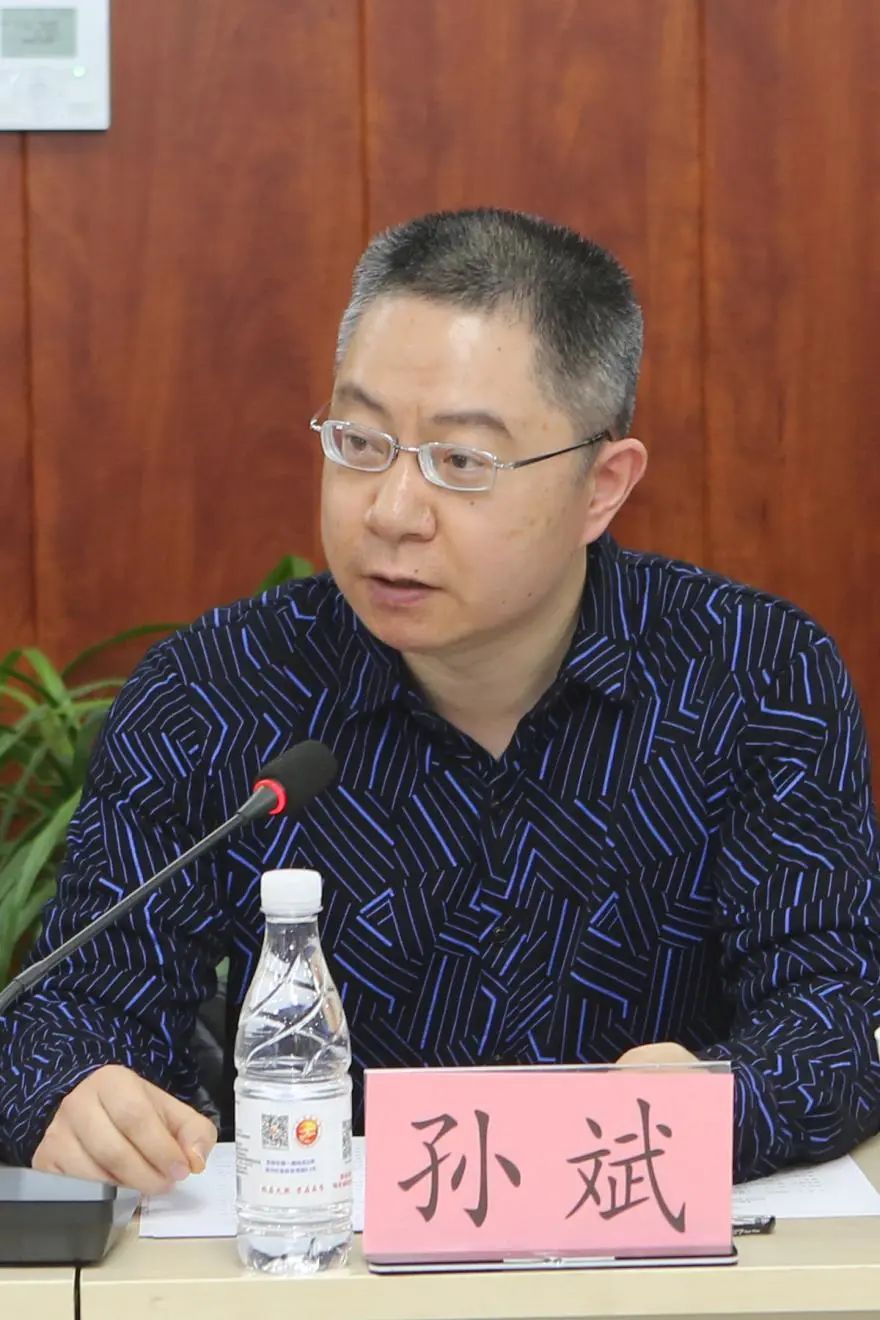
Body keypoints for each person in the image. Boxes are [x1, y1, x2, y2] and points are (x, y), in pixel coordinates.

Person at [1, 208, 878, 1197]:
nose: (390, 512)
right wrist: (75, 1092)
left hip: (645, 1239)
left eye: (461, 462)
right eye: (359, 441)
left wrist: (722, 1101)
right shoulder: (215, 691)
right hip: (317, 1253)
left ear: (601, 486)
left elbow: (831, 1019)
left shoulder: (755, 675)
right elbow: (74, 1010)